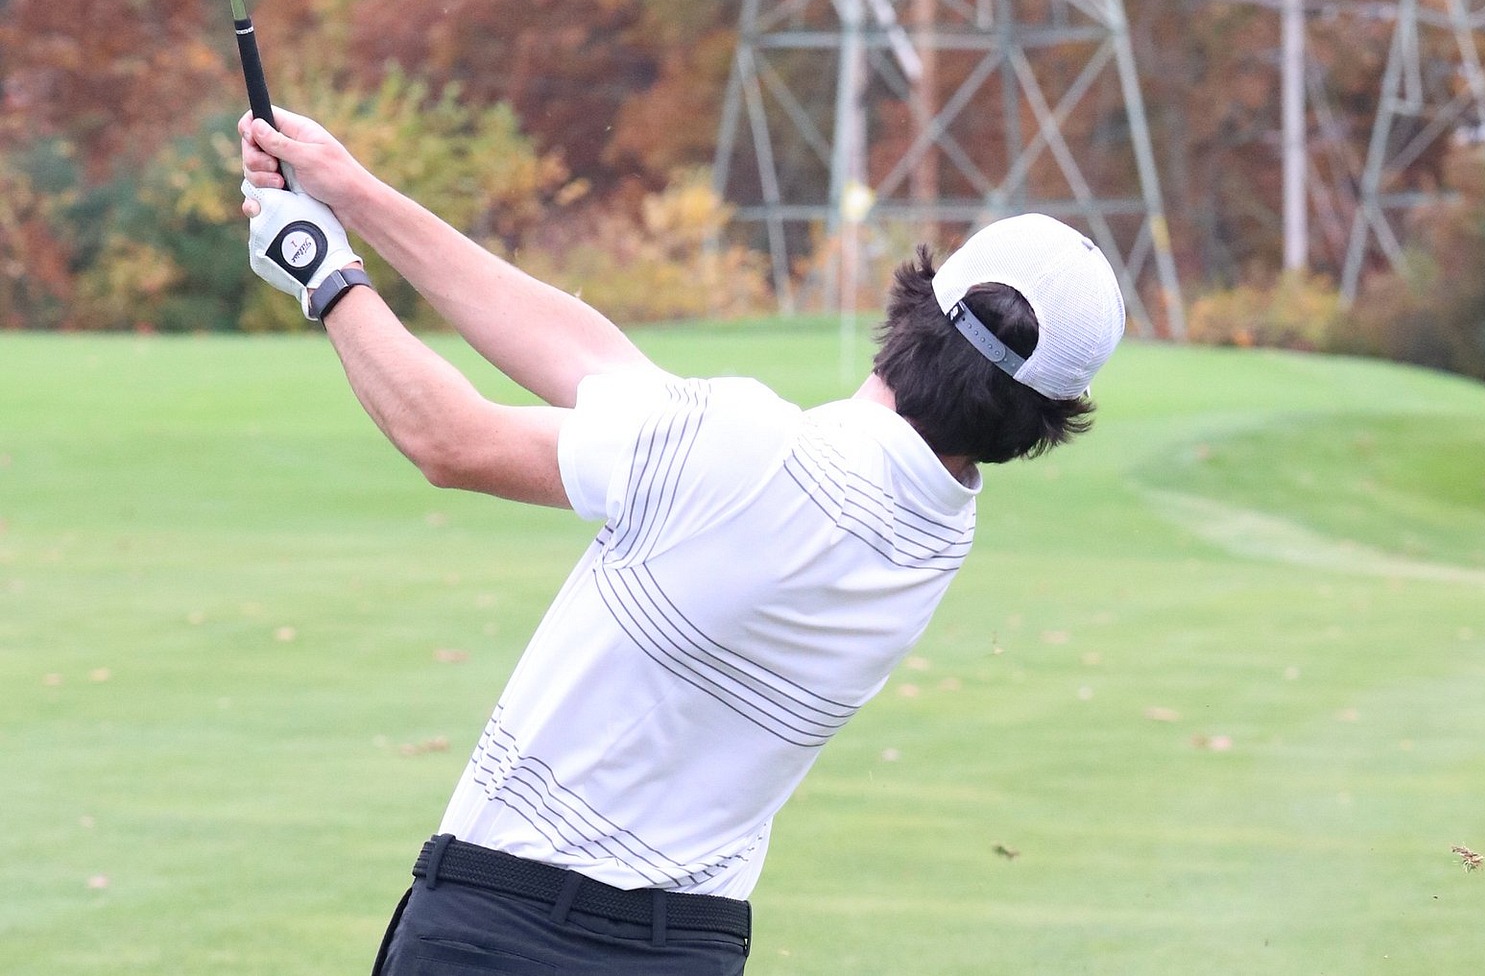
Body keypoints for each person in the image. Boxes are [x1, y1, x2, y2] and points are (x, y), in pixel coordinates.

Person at [236, 108, 1127, 975]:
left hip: (501, 926)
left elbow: (451, 440)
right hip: (691, 948)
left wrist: (324, 273)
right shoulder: (934, 532)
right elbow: (597, 367)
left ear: (916, 300)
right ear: (1042, 422)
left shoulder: (741, 446)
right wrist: (354, 192)